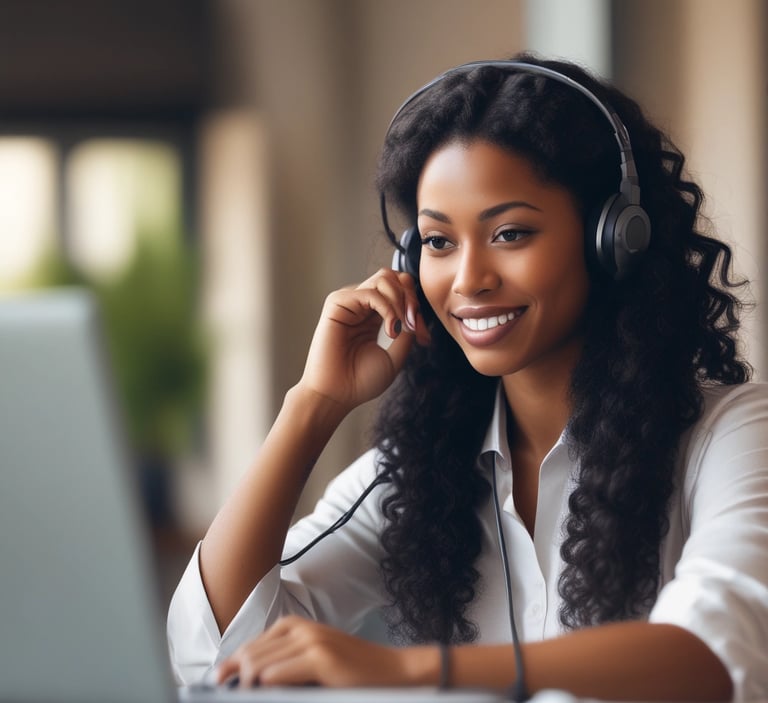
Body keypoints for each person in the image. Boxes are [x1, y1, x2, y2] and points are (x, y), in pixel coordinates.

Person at [167, 53, 768, 701]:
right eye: (438, 242)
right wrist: (313, 404)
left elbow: (711, 654)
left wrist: (416, 669)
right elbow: (215, 652)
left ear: (613, 240)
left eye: (510, 233)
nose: (468, 280)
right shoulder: (425, 471)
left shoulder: (729, 434)